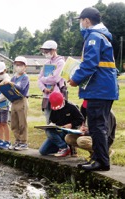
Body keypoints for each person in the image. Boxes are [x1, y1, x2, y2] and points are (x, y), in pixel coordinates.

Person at [69, 7, 119, 171]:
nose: (81, 24)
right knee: (99, 125)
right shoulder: (102, 36)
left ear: (86, 21)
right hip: (104, 88)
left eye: (81, 21)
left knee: (97, 126)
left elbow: (90, 64)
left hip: (99, 89)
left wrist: (75, 79)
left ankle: (102, 162)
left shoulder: (94, 37)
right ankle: (97, 159)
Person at [39, 91, 84, 157]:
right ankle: (61, 147)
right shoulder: (53, 109)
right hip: (58, 131)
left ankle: (63, 147)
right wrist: (52, 124)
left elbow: (81, 119)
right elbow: (53, 120)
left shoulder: (71, 107)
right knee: (43, 151)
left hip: (69, 132)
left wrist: (71, 124)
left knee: (49, 131)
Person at [38, 40, 66, 124]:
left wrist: (43, 79)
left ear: (54, 50)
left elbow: (55, 79)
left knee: (58, 120)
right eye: (44, 51)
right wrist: (43, 88)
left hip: (58, 95)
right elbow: (39, 79)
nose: (46, 53)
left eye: (47, 51)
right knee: (48, 120)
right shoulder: (47, 63)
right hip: (47, 96)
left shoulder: (61, 62)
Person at [5, 56, 30, 151]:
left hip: (21, 100)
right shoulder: (14, 77)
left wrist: (11, 84)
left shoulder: (25, 77)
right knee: (14, 123)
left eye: (20, 65)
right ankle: (17, 140)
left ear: (25, 66)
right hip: (14, 101)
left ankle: (23, 142)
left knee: (22, 123)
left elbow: (21, 87)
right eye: (17, 65)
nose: (18, 67)